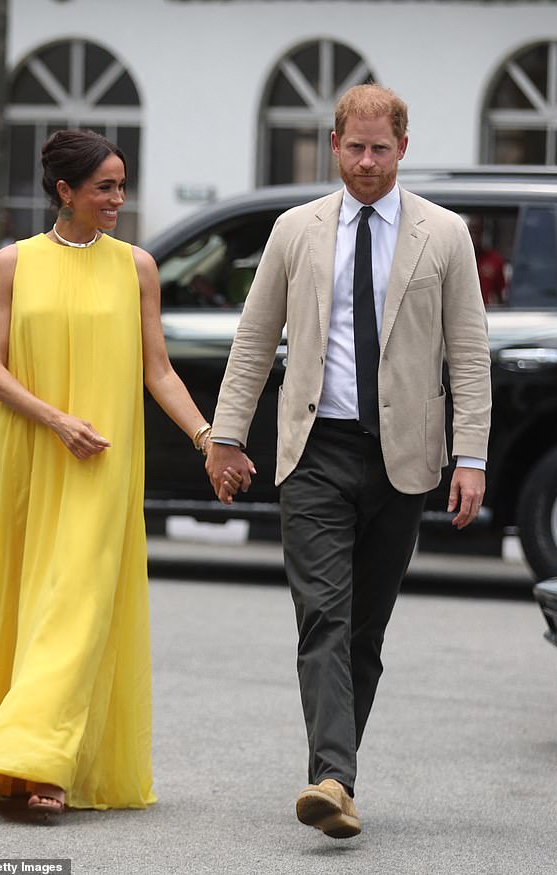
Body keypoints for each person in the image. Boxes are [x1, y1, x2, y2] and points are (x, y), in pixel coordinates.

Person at [206, 85, 491, 840]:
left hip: (404, 456)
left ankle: (336, 773)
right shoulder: (296, 230)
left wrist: (472, 455)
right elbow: (254, 338)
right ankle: (332, 777)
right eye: (354, 148)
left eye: (381, 149)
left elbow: (468, 353)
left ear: (403, 147)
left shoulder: (445, 233)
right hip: (315, 449)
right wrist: (225, 435)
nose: (367, 162)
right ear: (334, 146)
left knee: (366, 629)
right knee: (323, 616)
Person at [0, 129, 218, 819]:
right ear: (64, 191)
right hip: (32, 455)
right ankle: (21, 757)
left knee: (78, 605)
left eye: (122, 185)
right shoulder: (13, 262)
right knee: (36, 603)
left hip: (104, 463)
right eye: (104, 186)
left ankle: (38, 762)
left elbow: (158, 370)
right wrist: (57, 419)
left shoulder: (138, 268)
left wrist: (207, 436)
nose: (118, 199)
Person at [466, 214, 507, 306]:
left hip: (487, 312)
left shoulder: (494, 259)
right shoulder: (455, 258)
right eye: (471, 231)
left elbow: (501, 294)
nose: (474, 236)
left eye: (478, 231)